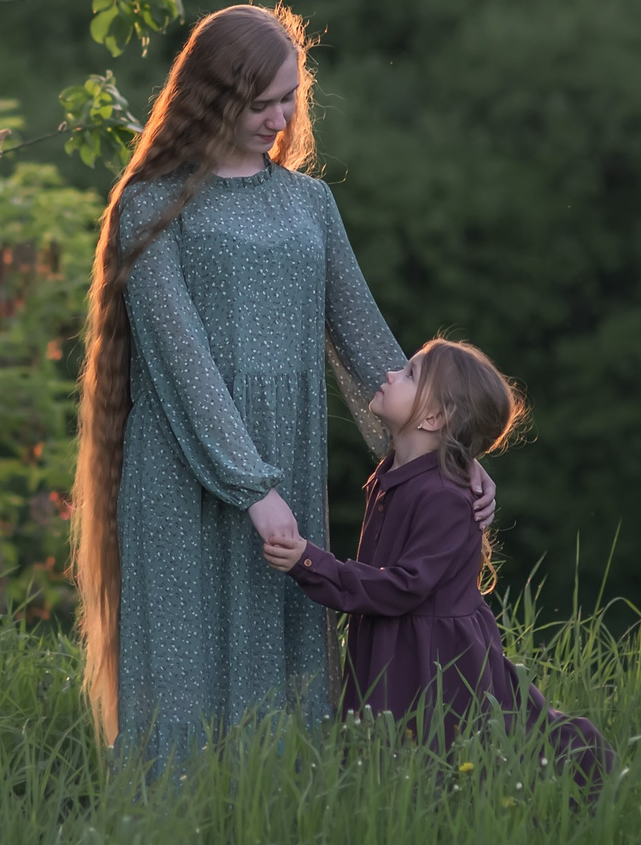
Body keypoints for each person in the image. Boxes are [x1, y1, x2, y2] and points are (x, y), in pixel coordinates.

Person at [72, 3, 494, 762]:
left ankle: (275, 837)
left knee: (282, 680)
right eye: (260, 101)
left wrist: (452, 455)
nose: (278, 116)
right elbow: (181, 363)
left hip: (285, 466)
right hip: (182, 470)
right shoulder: (153, 205)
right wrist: (251, 488)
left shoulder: (310, 203)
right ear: (210, 95)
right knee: (182, 676)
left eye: (289, 97)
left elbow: (365, 340)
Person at [261, 337, 612, 789]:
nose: (389, 374)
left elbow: (404, 587)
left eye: (408, 374)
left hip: (436, 659)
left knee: (445, 765)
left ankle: (583, 775)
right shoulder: (393, 475)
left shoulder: (444, 497)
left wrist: (311, 563)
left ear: (433, 418)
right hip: (398, 642)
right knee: (392, 764)